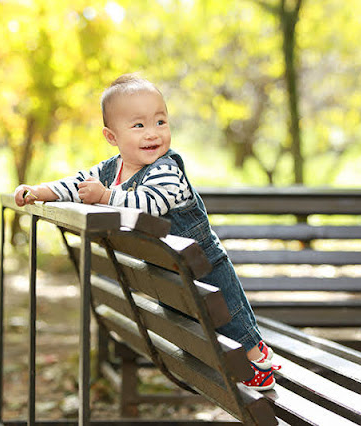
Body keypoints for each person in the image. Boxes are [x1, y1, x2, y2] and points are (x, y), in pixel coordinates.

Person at [14, 73, 279, 390]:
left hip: (203, 264)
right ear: (112, 137)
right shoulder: (112, 169)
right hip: (170, 270)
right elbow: (78, 184)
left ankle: (253, 354)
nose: (153, 133)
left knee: (229, 314)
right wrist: (43, 191)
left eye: (160, 122)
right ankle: (239, 361)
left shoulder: (166, 170)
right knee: (197, 322)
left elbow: (151, 204)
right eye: (138, 125)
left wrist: (107, 197)